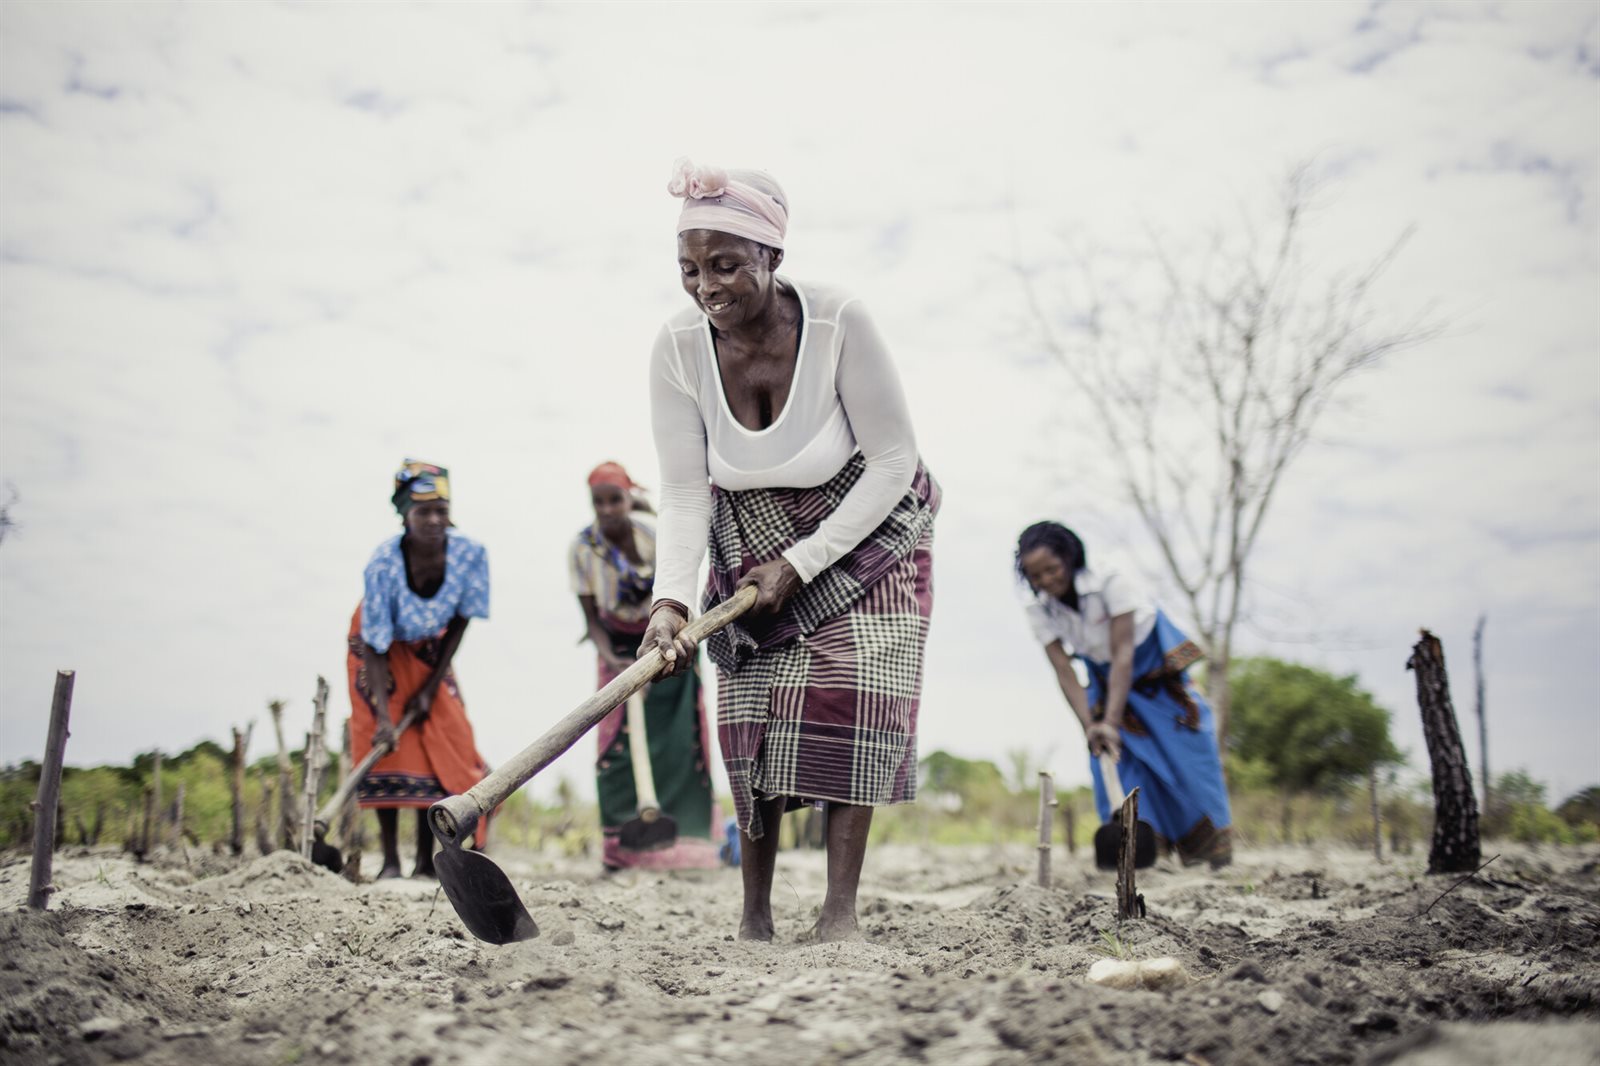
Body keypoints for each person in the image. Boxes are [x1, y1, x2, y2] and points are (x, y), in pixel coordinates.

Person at [640, 159, 940, 942]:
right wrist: (670, 599)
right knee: (751, 716)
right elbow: (681, 492)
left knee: (854, 688)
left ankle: (839, 912)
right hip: (745, 533)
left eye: (727, 265)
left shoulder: (840, 321)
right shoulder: (675, 349)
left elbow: (893, 461)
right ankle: (756, 915)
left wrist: (804, 561)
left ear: (774, 257)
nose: (708, 286)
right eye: (690, 269)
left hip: (862, 526)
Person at [1015, 521, 1232, 867]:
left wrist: (1112, 721)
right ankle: (1145, 857)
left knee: (1188, 757)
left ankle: (1212, 852)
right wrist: (1092, 725)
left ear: (1070, 559)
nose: (1046, 582)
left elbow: (1124, 654)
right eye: (1035, 577)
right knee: (1117, 762)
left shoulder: (1110, 580)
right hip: (1104, 678)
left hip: (1150, 670)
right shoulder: (1038, 609)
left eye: (1051, 570)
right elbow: (1064, 670)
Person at [570, 460, 719, 870]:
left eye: (614, 500)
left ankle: (688, 846)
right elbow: (591, 620)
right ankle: (619, 849)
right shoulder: (582, 549)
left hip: (669, 642)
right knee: (614, 742)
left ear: (627, 500)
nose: (606, 510)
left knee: (679, 739)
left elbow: (679, 590)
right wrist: (613, 659)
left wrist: (658, 650)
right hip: (615, 650)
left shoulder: (654, 536)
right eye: (598, 502)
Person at [346, 460, 492, 878]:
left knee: (444, 736)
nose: (433, 520)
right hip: (377, 650)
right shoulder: (382, 565)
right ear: (404, 516)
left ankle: (425, 862)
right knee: (387, 743)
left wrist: (431, 684)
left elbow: (462, 618)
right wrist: (385, 716)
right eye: (422, 511)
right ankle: (391, 861)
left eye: (440, 510)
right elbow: (374, 644)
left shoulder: (470, 555)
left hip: (431, 650)